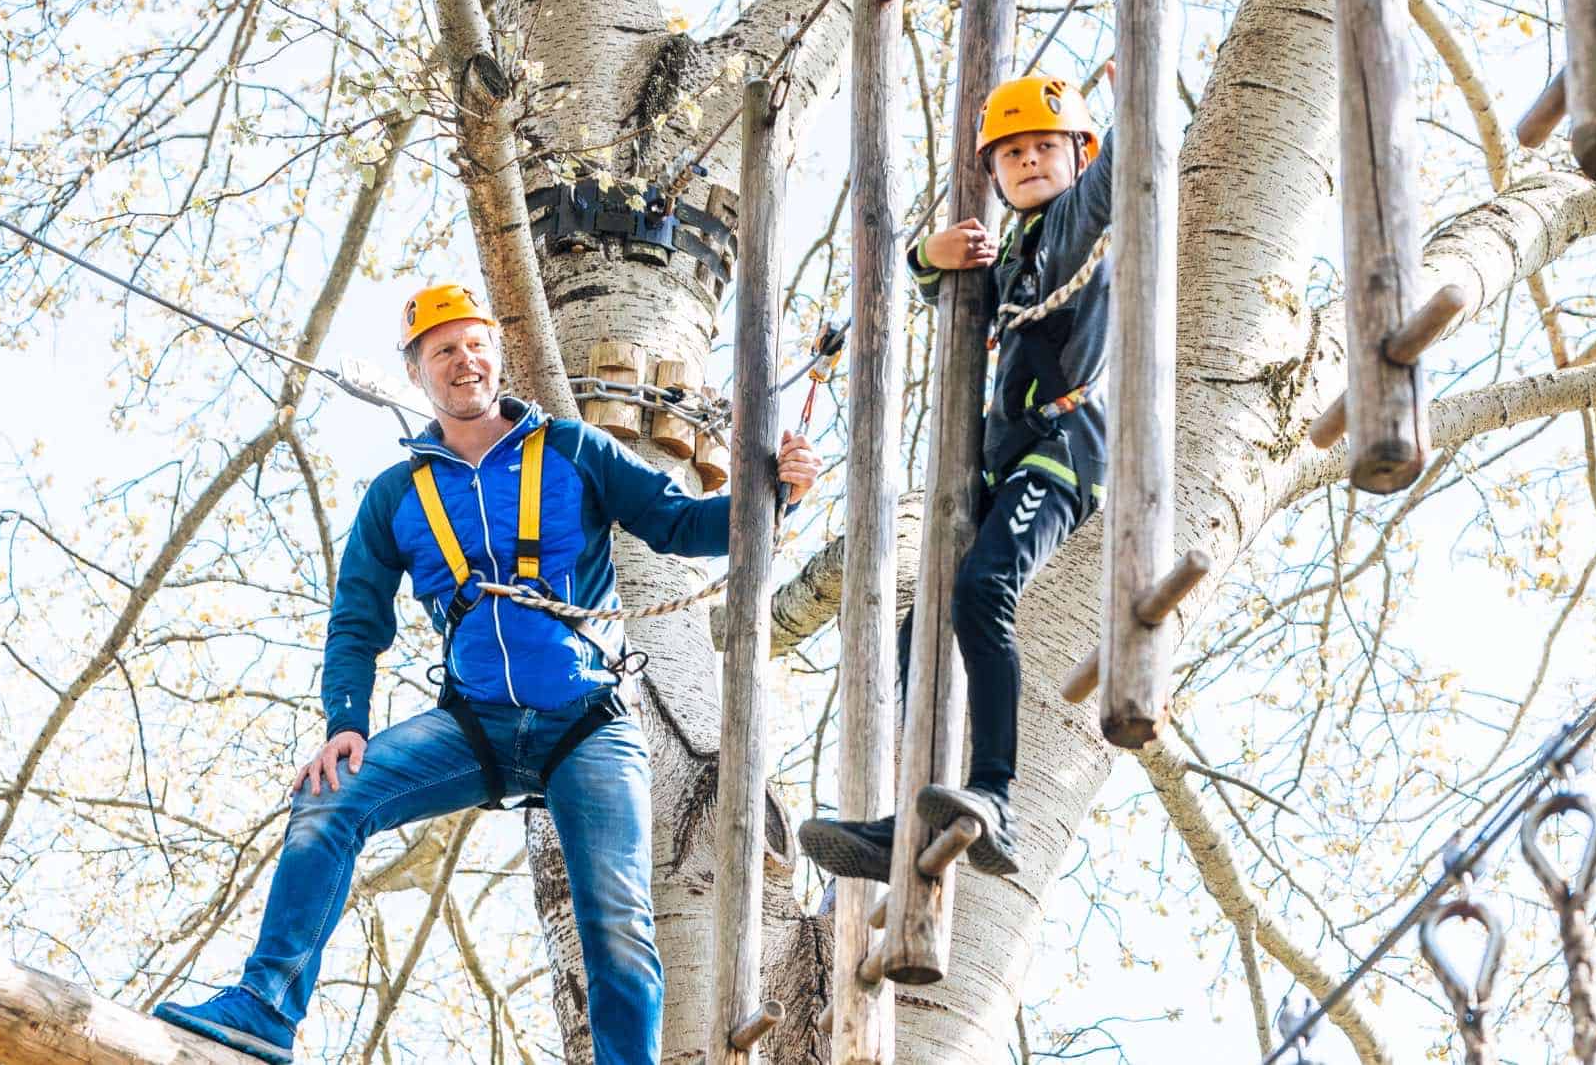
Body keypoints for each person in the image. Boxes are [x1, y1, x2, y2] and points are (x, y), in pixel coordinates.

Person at [153, 283, 820, 1064]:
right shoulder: (397, 496)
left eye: (476, 346)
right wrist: (345, 722)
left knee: (617, 918)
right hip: (476, 725)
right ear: (417, 374)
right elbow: (358, 620)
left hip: (587, 723)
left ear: (497, 357)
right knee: (329, 800)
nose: (464, 362)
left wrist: (778, 493)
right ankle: (266, 1006)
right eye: (444, 351)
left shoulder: (575, 451)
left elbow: (683, 525)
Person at [798, 67, 1115, 882]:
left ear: (1077, 154)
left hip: (1062, 447)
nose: (1031, 163)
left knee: (981, 593)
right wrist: (925, 255)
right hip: (999, 460)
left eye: (1048, 147)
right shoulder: (1012, 245)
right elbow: (944, 282)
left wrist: (1121, 91)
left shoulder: (1076, 220)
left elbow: (1124, 166)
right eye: (1011, 155)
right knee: (919, 627)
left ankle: (996, 793)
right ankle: (909, 812)